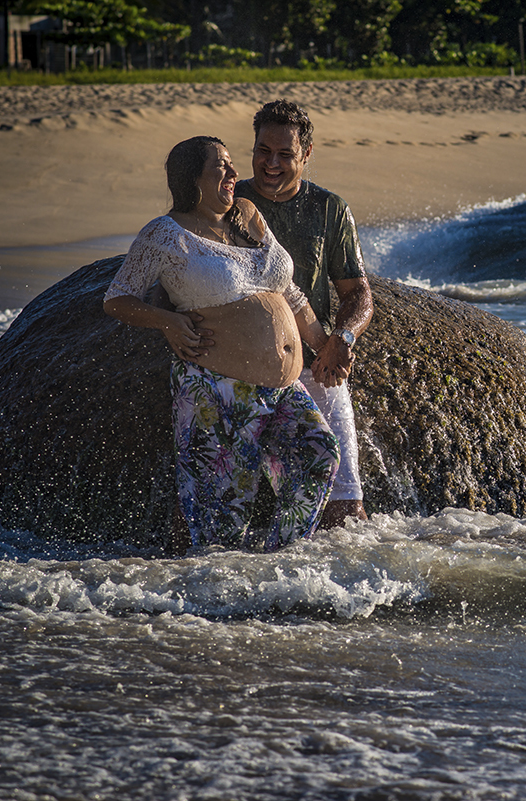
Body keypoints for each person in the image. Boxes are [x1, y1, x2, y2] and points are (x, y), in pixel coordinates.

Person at [103, 135, 340, 552]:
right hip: (216, 389)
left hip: (283, 388)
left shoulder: (247, 215)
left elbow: (289, 291)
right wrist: (168, 322)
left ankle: (280, 561)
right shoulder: (164, 234)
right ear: (193, 177)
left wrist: (324, 344)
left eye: (231, 164)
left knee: (319, 454)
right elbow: (118, 298)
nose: (234, 173)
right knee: (225, 514)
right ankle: (221, 586)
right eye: (221, 165)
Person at [236, 99, 373, 529]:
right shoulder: (229, 200)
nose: (271, 164)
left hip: (315, 366)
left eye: (285, 154)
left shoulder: (330, 209)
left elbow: (358, 294)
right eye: (263, 151)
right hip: (239, 367)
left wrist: (343, 339)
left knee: (346, 506)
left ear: (306, 154)